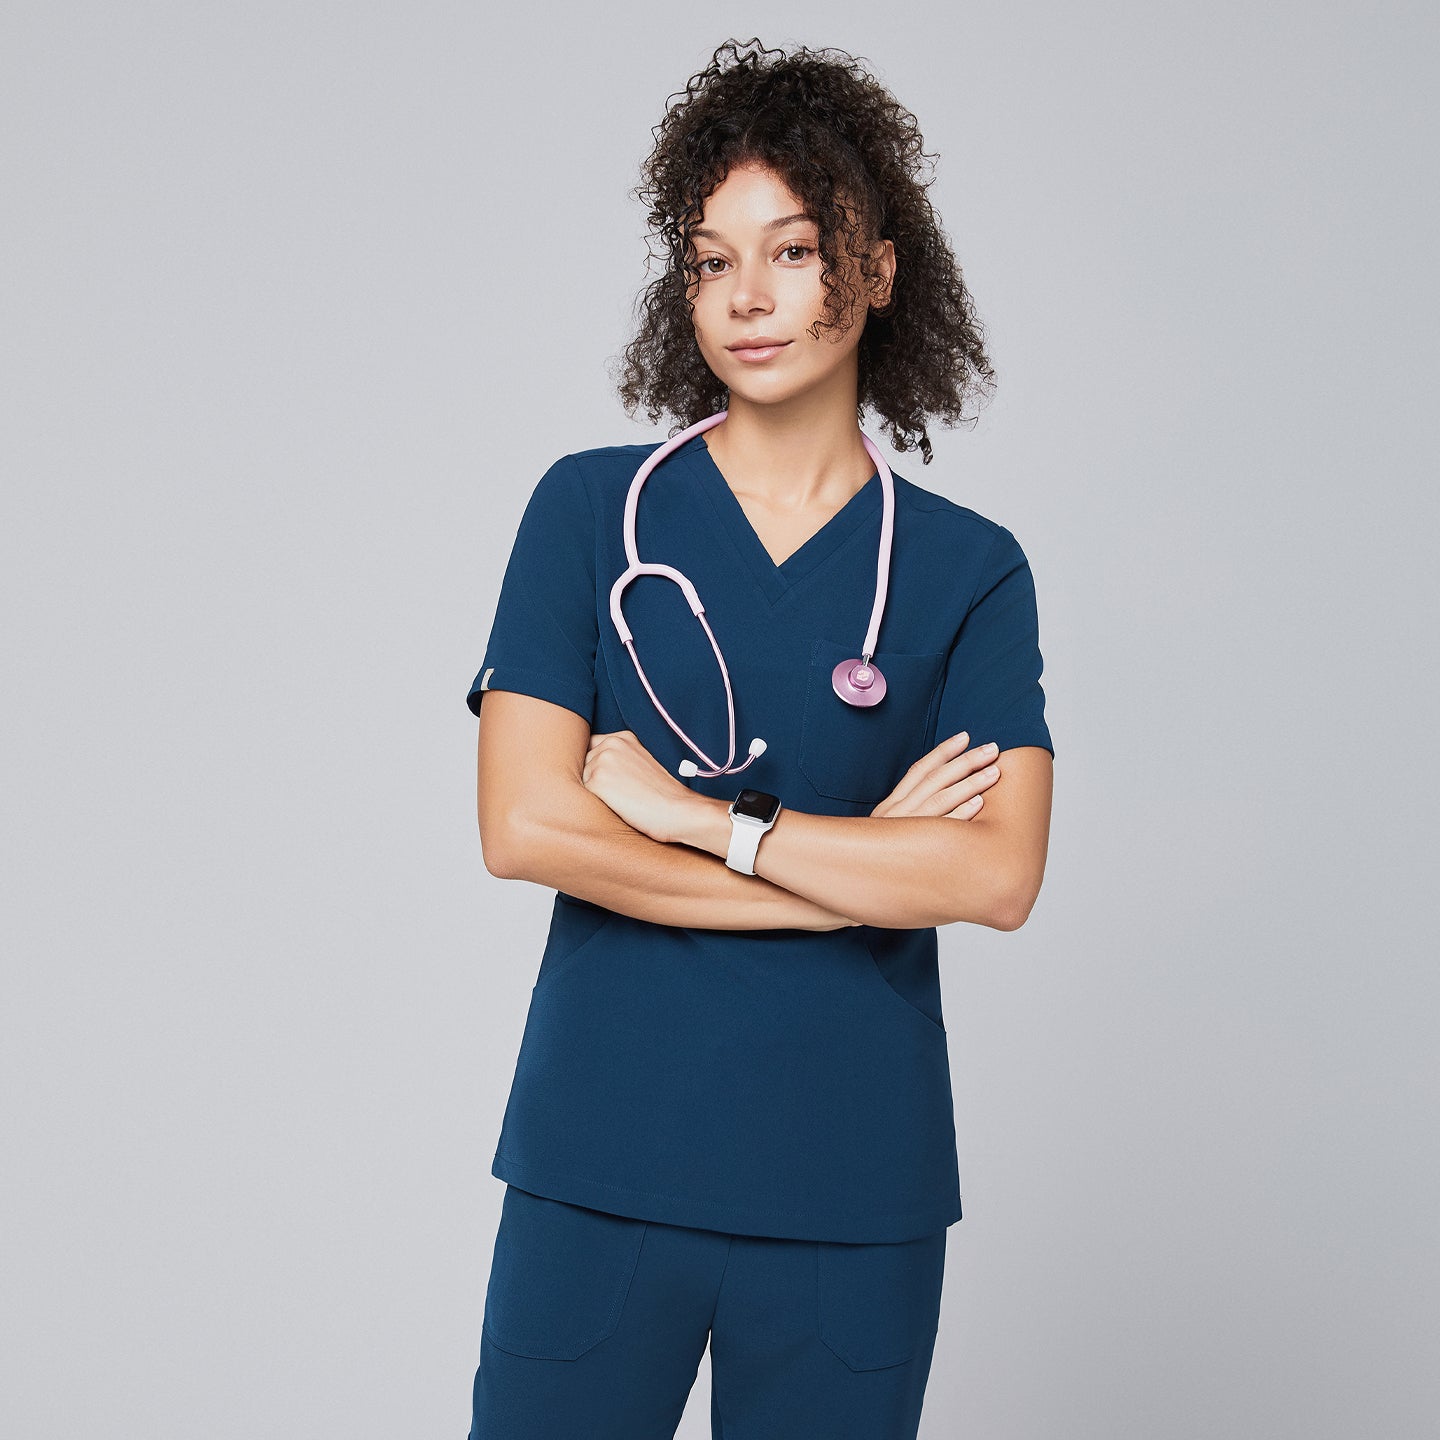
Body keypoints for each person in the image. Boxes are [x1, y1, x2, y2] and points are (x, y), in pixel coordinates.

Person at [462, 36, 1055, 1440]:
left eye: (793, 251)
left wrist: (692, 820)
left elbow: (996, 878)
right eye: (713, 260)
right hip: (602, 1162)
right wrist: (839, 880)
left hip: (854, 1190)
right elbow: (524, 828)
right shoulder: (587, 514)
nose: (750, 298)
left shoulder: (970, 571)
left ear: (881, 269)